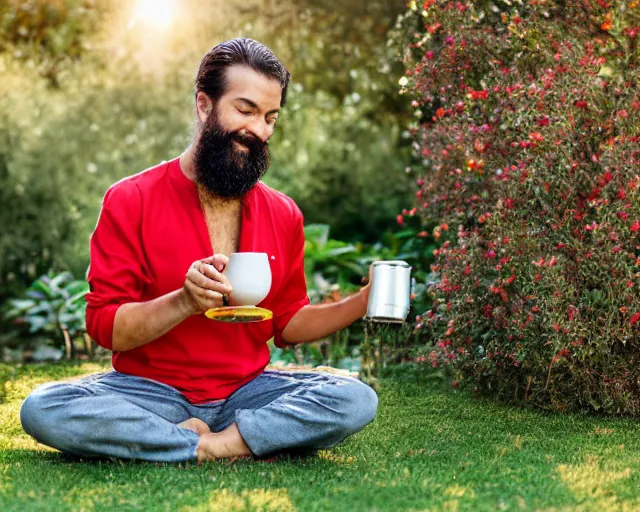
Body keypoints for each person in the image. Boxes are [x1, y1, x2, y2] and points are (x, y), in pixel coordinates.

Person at [19, 38, 378, 463]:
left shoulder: (284, 214)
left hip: (247, 392)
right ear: (204, 105)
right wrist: (184, 301)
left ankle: (199, 443)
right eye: (245, 110)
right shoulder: (130, 198)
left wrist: (363, 301)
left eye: (270, 117)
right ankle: (229, 441)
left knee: (355, 398)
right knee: (43, 409)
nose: (259, 130)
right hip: (148, 391)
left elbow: (287, 321)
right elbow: (103, 325)